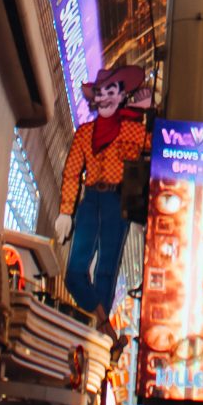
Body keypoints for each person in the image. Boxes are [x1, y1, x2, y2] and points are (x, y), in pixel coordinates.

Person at [55, 64, 150, 334]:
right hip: (90, 200)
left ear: (121, 96)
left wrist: (149, 114)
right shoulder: (84, 133)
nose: (105, 96)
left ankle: (98, 333)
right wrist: (65, 211)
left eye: (111, 90)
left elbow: (160, 149)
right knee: (74, 272)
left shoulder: (133, 131)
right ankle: (105, 325)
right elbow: (72, 172)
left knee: (107, 269)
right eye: (100, 92)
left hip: (117, 203)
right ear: (94, 98)